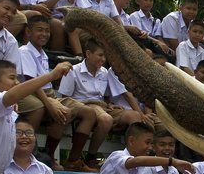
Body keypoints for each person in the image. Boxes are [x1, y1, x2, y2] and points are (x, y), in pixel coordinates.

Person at [16, 15, 100, 171]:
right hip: (32, 93)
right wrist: (50, 103)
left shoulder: (43, 54)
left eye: (47, 31)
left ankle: (73, 160)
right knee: (62, 111)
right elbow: (31, 83)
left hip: (49, 93)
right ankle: (47, 155)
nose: (44, 34)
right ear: (28, 32)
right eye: (39, 30)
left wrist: (52, 100)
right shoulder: (25, 51)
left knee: (89, 113)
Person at [58, 38, 145, 166]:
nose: (103, 59)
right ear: (88, 54)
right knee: (106, 119)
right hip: (83, 105)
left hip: (102, 106)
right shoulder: (74, 70)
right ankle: (90, 157)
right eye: (100, 55)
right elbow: (65, 97)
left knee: (135, 116)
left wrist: (109, 104)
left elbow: (106, 97)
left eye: (105, 55)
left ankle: (134, 158)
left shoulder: (104, 72)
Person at [86, 121, 194, 174]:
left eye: (151, 143)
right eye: (147, 142)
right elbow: (136, 161)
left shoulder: (141, 167)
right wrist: (173, 162)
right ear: (132, 141)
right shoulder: (117, 157)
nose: (150, 148)